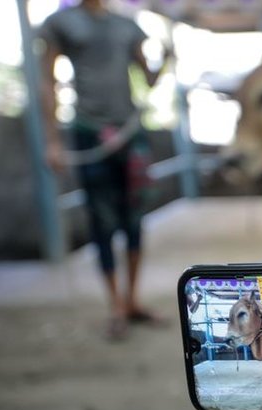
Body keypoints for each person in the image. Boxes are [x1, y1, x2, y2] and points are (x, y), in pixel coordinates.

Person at [39, 0, 170, 339]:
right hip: (88, 132)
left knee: (135, 218)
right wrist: (52, 141)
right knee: (101, 221)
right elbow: (46, 81)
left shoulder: (127, 25)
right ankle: (115, 305)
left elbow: (149, 78)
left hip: (128, 132)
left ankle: (132, 300)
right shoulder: (61, 23)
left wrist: (168, 57)